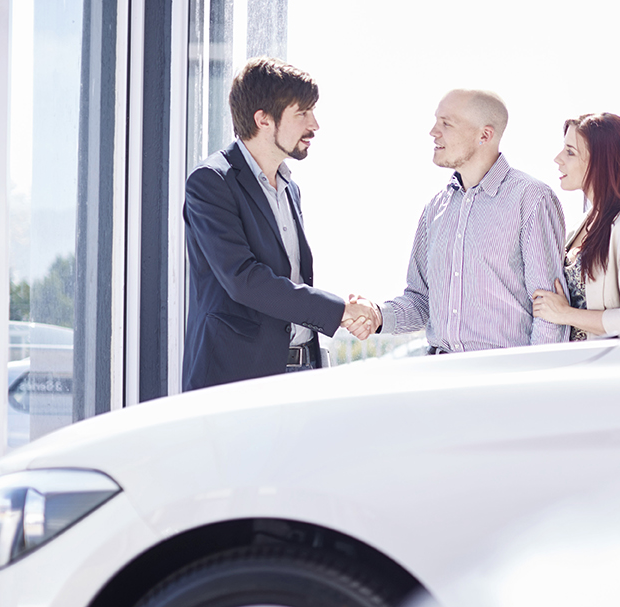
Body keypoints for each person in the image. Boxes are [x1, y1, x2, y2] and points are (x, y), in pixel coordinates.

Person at [182, 57, 377, 392]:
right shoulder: (211, 181)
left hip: (300, 372)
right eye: (302, 112)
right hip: (236, 380)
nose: (314, 124)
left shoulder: (290, 188)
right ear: (263, 119)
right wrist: (340, 310)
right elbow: (244, 279)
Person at [369, 89, 568, 352]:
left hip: (502, 379)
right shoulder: (434, 209)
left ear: (484, 135)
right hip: (440, 376)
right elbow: (420, 301)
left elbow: (550, 315)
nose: (433, 131)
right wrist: (378, 315)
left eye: (446, 124)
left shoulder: (531, 199)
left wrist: (534, 383)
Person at [531, 113, 620, 340]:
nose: (558, 158)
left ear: (601, 162)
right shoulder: (575, 228)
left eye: (570, 152)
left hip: (602, 370)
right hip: (567, 366)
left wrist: (565, 314)